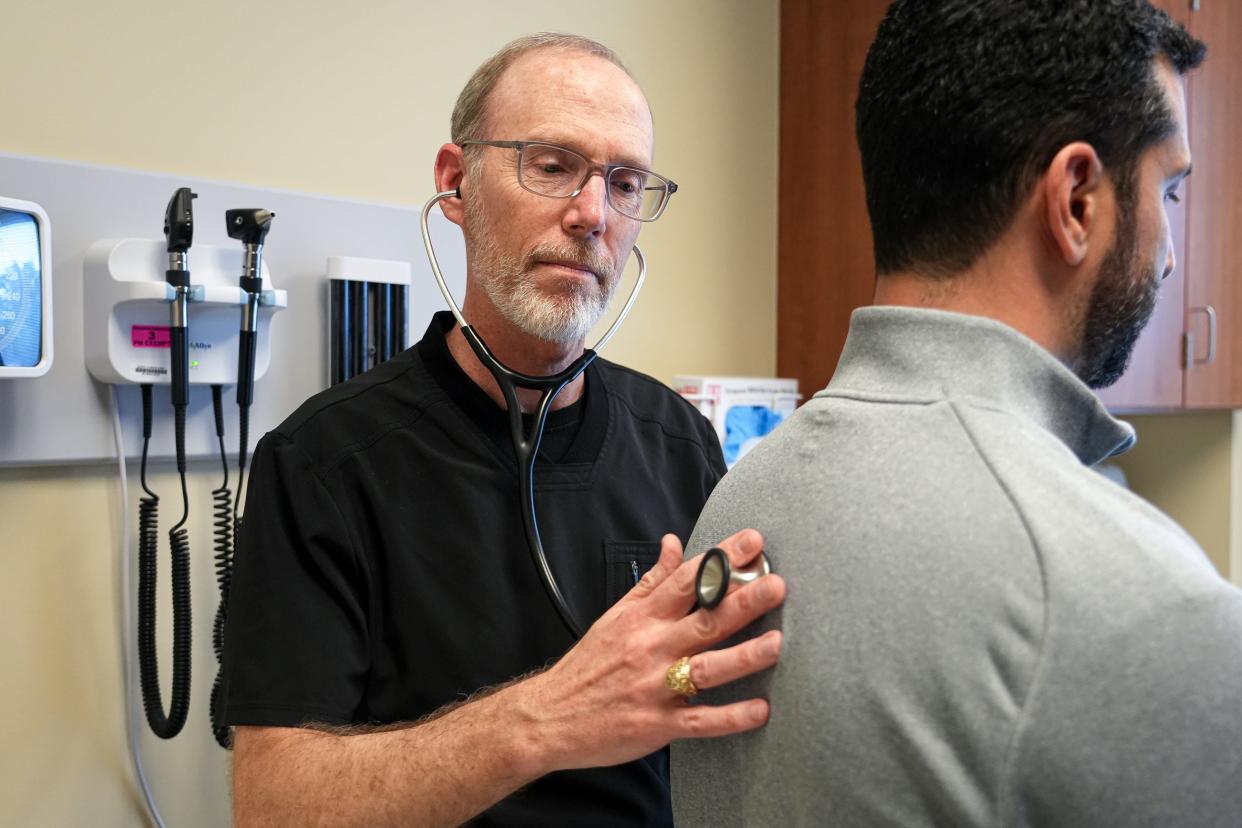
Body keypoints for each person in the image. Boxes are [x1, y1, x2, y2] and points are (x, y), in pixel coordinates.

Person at [672, 2, 1242, 826]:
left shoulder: (738, 505)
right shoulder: (1149, 606)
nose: (1171, 253)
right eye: (1171, 190)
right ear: (1077, 197)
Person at [222, 33, 786, 827]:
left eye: (625, 183)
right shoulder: (323, 466)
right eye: (552, 165)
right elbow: (273, 809)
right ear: (455, 184)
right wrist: (546, 719)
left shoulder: (680, 442)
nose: (592, 215)